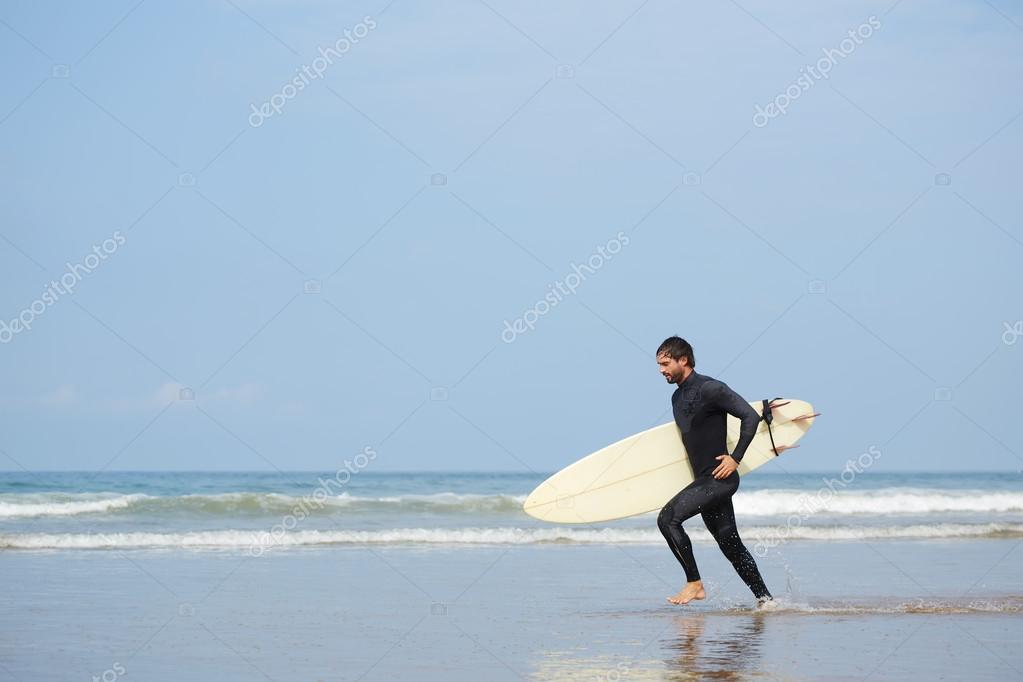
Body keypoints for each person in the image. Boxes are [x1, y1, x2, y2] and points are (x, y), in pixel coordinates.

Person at [655, 336, 781, 606]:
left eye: (665, 363)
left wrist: (735, 458)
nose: (661, 370)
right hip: (705, 481)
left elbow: (749, 415)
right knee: (731, 545)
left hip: (719, 478)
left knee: (667, 519)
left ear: (683, 360)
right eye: (659, 365)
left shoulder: (711, 388)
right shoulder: (677, 396)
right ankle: (767, 602)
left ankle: (694, 584)